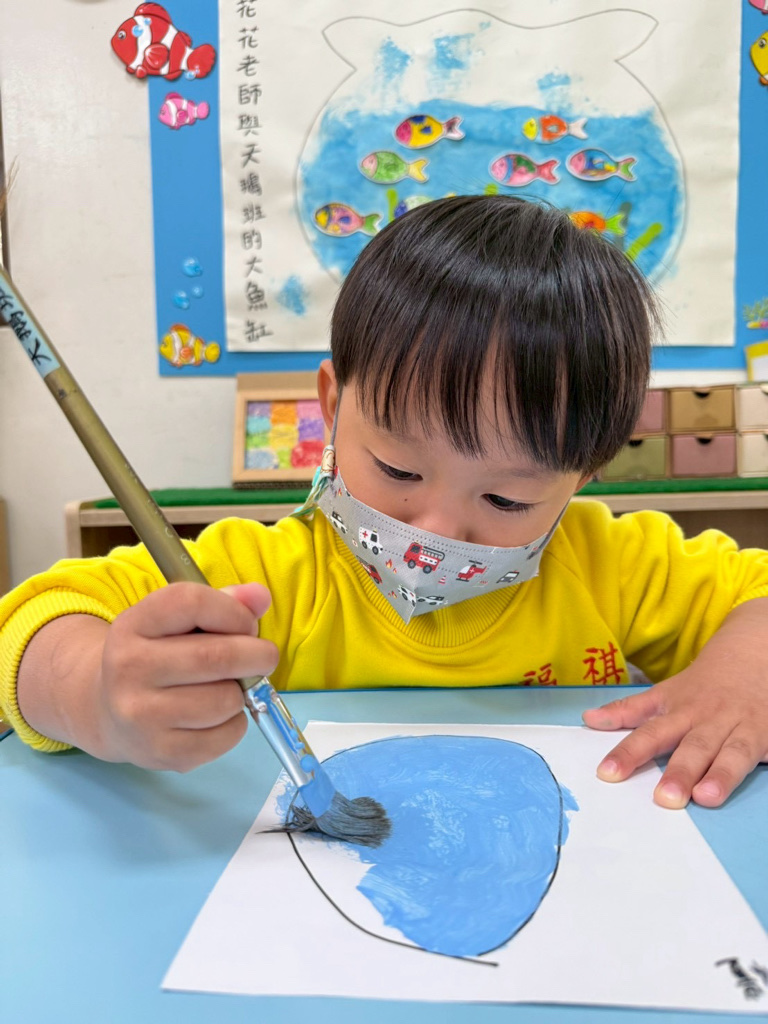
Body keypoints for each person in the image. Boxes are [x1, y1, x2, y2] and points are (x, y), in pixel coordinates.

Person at [1, 195, 767, 810]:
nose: (435, 528)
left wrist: (745, 677)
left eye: (506, 498)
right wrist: (93, 695)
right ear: (333, 406)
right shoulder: (262, 574)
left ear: (585, 475)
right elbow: (31, 624)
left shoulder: (618, 566)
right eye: (398, 469)